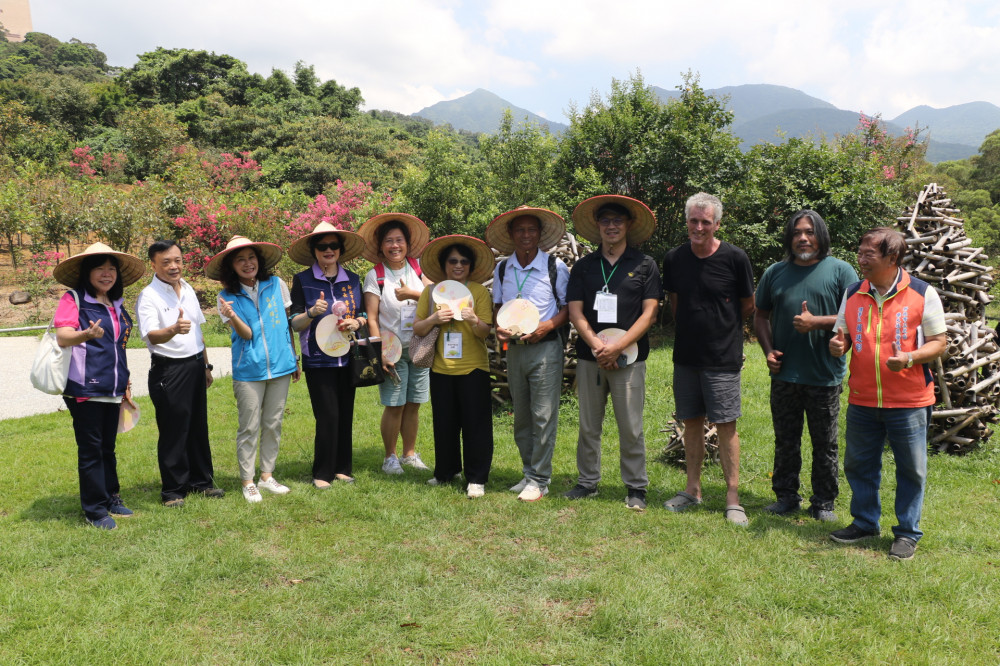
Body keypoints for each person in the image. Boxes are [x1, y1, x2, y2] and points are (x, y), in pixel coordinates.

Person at [828, 227, 946, 560]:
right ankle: (865, 522)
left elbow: (940, 343)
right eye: (860, 252)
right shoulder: (852, 292)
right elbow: (843, 336)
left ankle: (907, 533)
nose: (861, 259)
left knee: (911, 469)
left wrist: (908, 357)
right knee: (859, 465)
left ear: (892, 258)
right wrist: (838, 345)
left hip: (909, 401)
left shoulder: (923, 293)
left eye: (869, 254)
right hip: (862, 398)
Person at [754, 210, 858, 521]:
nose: (803, 238)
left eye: (810, 232)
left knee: (824, 442)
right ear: (789, 237)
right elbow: (760, 315)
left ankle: (823, 502)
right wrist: (769, 351)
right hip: (785, 373)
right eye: (797, 232)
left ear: (821, 236)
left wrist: (817, 324)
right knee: (786, 439)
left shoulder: (841, 271)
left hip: (823, 375)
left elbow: (855, 318)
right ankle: (786, 497)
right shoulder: (775, 272)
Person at [662, 192, 754, 526]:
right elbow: (675, 302)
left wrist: (721, 330)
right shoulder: (674, 259)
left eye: (706, 221)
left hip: (722, 356)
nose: (699, 227)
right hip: (686, 355)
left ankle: (732, 497)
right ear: (688, 222)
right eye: (694, 220)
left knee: (727, 424)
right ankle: (693, 490)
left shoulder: (735, 258)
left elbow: (747, 304)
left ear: (717, 224)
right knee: (691, 421)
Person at [564, 195, 660, 511]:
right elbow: (575, 311)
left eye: (618, 221)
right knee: (589, 424)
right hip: (591, 357)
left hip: (630, 358)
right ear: (598, 227)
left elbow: (649, 314)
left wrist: (617, 347)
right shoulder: (584, 266)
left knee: (630, 425)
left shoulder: (644, 264)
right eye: (605, 221)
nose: (612, 226)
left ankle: (636, 488)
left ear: (628, 226)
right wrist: (596, 345)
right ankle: (587, 482)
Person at [52, 243, 145, 529]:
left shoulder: (115, 304)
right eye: (99, 268)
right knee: (91, 448)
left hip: (113, 385)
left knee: (108, 447)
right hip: (85, 387)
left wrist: (125, 381)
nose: (107, 274)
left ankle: (111, 497)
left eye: (111, 269)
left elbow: (118, 346)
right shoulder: (74, 299)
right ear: (86, 272)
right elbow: (63, 336)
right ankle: (95, 509)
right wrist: (85, 334)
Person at [205, 236, 300, 503]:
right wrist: (233, 316)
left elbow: (285, 324)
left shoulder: (276, 284)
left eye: (251, 258)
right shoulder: (225, 297)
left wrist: (293, 358)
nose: (248, 264)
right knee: (249, 426)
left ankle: (267, 476)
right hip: (249, 370)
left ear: (259, 260)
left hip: (281, 366)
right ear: (231, 266)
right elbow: (246, 335)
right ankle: (248, 481)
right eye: (240, 260)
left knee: (273, 423)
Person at [487, 206, 570, 502]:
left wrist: (547, 326)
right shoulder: (502, 269)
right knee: (522, 416)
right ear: (511, 235)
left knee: (543, 415)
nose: (525, 235)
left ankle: (541, 478)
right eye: (519, 230)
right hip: (516, 351)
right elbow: (499, 306)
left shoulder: (555, 267)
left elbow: (568, 308)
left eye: (531, 230)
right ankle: (528, 473)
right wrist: (499, 327)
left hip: (545, 348)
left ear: (540, 234)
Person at [137, 239, 224, 507]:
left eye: (178, 260)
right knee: (174, 430)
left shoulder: (187, 288)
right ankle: (173, 490)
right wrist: (173, 329)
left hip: (195, 365)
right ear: (153, 264)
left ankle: (202, 482)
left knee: (198, 426)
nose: (174, 266)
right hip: (169, 370)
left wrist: (206, 366)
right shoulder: (148, 295)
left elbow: (198, 331)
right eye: (166, 262)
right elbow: (150, 335)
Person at [413, 235, 495, 498]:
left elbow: (485, 333)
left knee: (476, 425)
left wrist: (473, 319)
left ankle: (476, 478)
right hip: (441, 368)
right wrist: (434, 318)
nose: (458, 266)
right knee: (444, 424)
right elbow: (417, 327)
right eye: (452, 261)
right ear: (443, 264)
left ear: (470, 266)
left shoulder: (479, 292)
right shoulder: (430, 292)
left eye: (463, 262)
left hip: (474, 368)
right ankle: (445, 472)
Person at [288, 222, 368, 488]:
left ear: (340, 250)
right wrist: (311, 313)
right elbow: (294, 322)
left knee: (345, 412)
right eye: (322, 246)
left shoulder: (353, 279)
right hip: (318, 358)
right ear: (314, 251)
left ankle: (343, 468)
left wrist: (357, 323)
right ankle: (322, 473)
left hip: (348, 355)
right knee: (327, 415)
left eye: (334, 245)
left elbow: (364, 314)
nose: (328, 250)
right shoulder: (302, 280)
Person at [359, 213, 433, 475]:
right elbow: (371, 318)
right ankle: (390, 457)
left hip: (421, 346)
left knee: (414, 403)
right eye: (388, 241)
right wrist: (380, 353)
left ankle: (409, 454)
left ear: (407, 243)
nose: (394, 246)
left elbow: (438, 297)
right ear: (381, 246)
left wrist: (412, 293)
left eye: (399, 240)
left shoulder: (420, 269)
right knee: (395, 405)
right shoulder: (375, 276)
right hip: (392, 350)